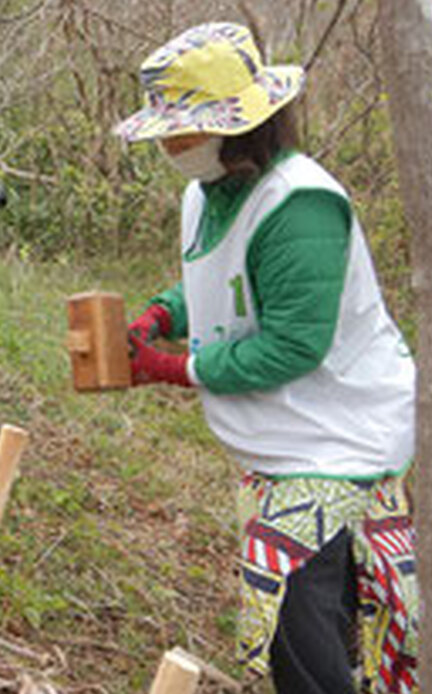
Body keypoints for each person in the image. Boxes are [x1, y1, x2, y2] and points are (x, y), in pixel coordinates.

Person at [113, 23, 418, 693]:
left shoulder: (300, 205)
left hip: (339, 437)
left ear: (239, 126)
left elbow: (294, 343)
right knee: (319, 616)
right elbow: (220, 281)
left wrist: (172, 368)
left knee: (291, 615)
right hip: (284, 437)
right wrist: (163, 314)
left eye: (183, 132)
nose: (171, 147)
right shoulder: (208, 192)